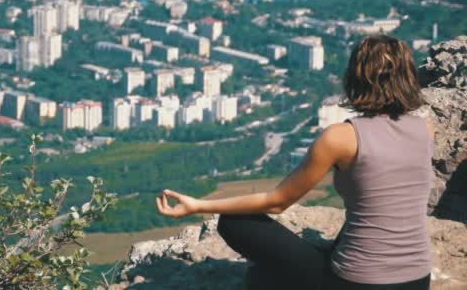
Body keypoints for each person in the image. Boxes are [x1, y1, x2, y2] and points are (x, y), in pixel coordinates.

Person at [155, 34, 434, 290]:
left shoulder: (341, 137)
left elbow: (278, 202)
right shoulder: (425, 129)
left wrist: (199, 205)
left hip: (356, 282)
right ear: (407, 77)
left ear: (356, 77)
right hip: (418, 280)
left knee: (234, 223)